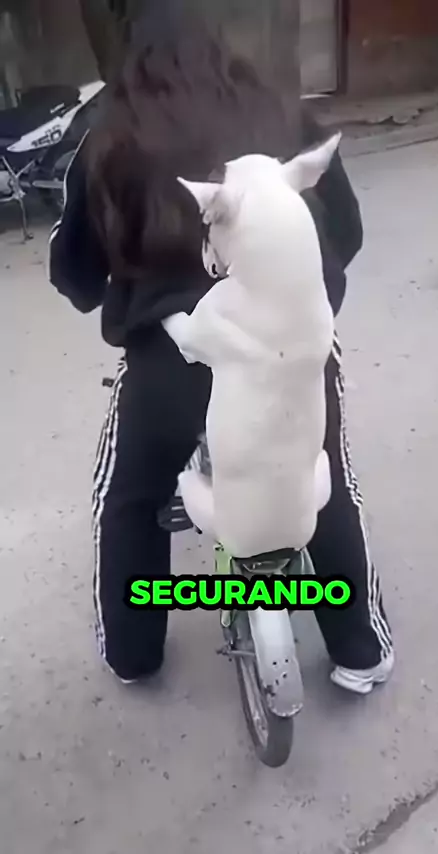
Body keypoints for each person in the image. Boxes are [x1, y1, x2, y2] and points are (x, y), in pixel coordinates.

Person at [49, 4, 394, 695]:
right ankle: (361, 651)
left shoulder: (107, 132)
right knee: (324, 479)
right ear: (217, 41)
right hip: (289, 353)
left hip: (172, 360)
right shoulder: (282, 113)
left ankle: (133, 652)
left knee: (129, 498)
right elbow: (346, 231)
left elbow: (75, 273)